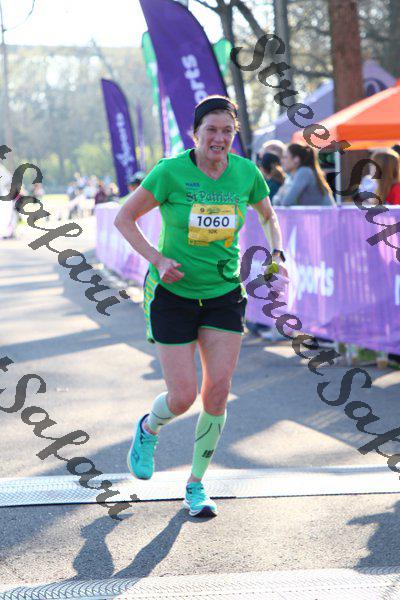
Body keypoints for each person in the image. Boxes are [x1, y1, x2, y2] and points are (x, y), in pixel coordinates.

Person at [114, 95, 287, 518]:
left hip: (223, 294)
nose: (219, 138)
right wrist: (158, 259)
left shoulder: (246, 173)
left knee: (218, 391)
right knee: (182, 396)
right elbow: (124, 218)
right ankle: (149, 428)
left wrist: (277, 253)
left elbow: (268, 216)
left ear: (234, 135)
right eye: (211, 129)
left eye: (227, 131)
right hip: (172, 295)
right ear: (195, 134)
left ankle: (195, 484)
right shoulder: (170, 172)